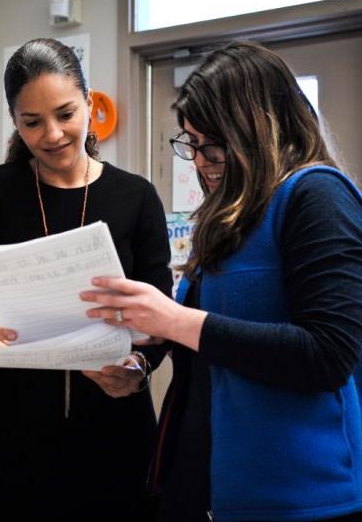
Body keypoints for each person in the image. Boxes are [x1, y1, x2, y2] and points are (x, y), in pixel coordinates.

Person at [81, 40, 362, 522]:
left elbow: (328, 354)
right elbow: (212, 350)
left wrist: (176, 319)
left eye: (214, 143)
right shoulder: (228, 215)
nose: (199, 160)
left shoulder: (317, 196)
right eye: (191, 141)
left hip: (295, 496)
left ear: (263, 128)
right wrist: (142, 356)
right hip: (201, 481)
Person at [0, 38, 173, 521]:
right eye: (33, 122)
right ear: (15, 122)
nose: (52, 134)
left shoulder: (135, 197)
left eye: (66, 114)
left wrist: (137, 367)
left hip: (113, 429)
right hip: (14, 431)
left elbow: (161, 317)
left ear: (89, 105)